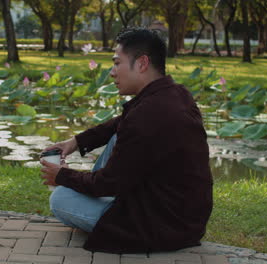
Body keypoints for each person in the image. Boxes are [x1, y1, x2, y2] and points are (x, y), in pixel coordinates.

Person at [40, 27, 213, 254]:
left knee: (61, 200)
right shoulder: (175, 94)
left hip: (163, 225)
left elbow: (106, 184)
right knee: (116, 134)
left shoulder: (146, 116)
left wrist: (62, 176)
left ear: (141, 64)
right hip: (186, 217)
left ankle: (111, 212)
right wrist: (75, 142)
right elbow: (121, 122)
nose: (112, 72)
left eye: (117, 63)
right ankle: (109, 204)